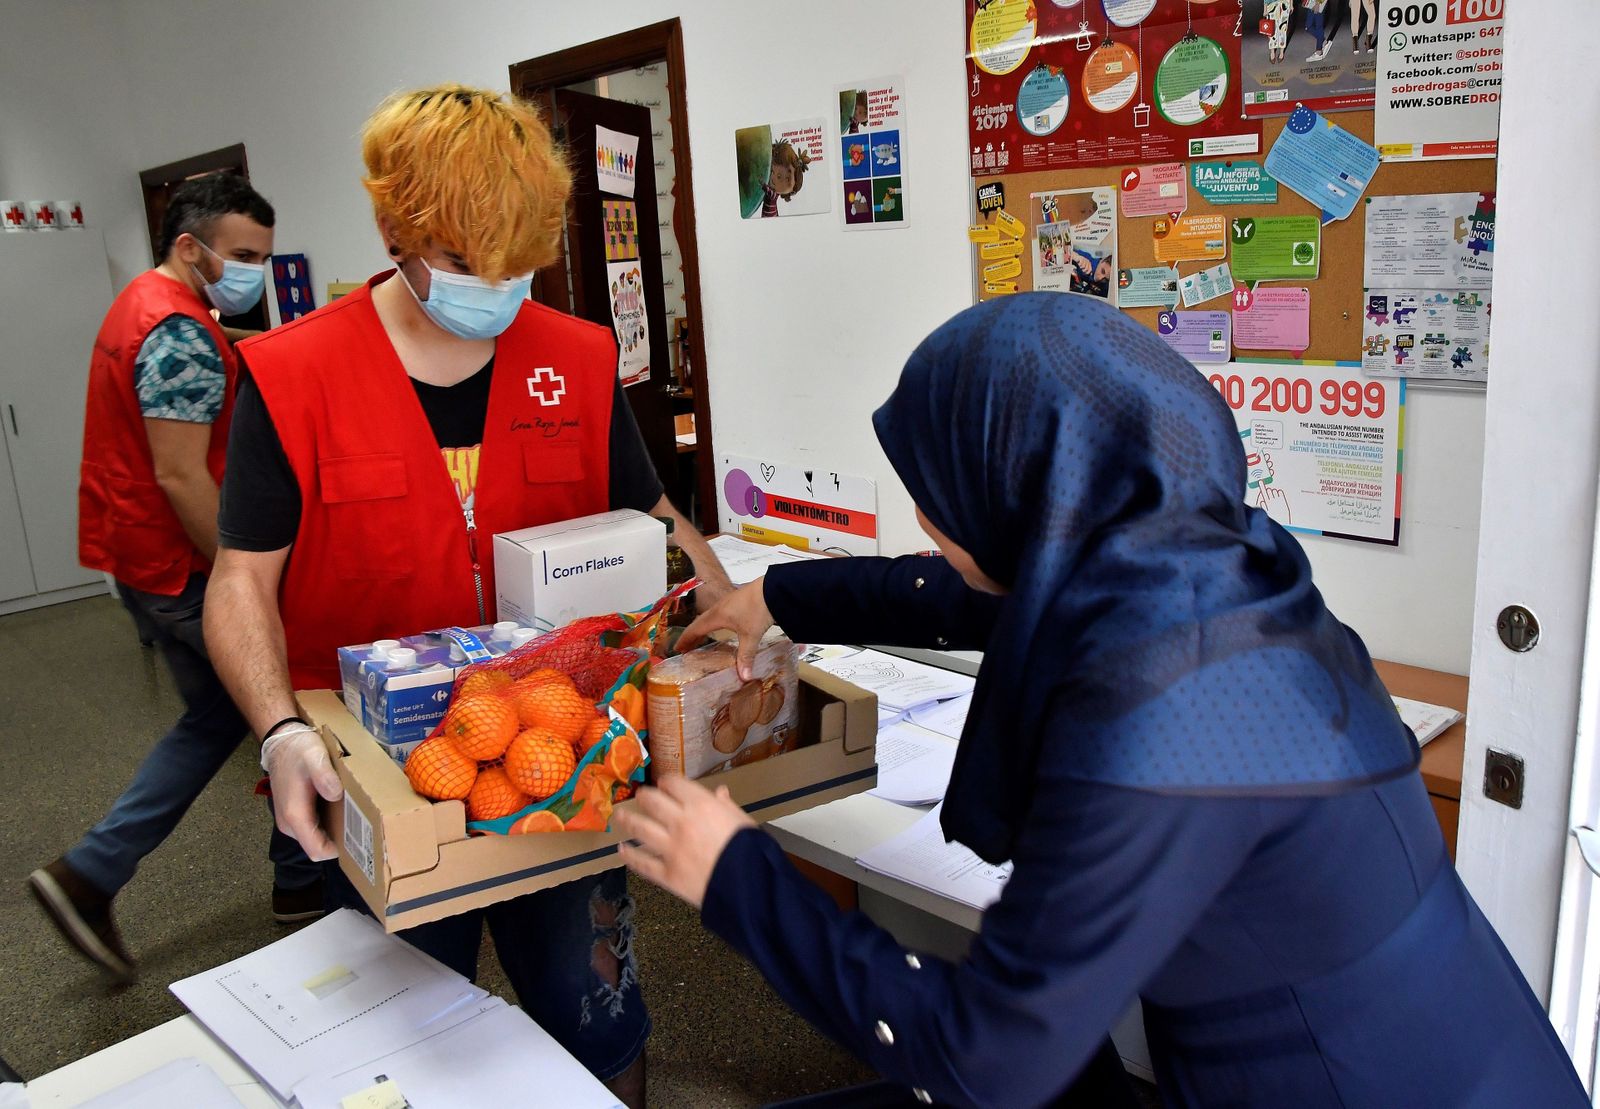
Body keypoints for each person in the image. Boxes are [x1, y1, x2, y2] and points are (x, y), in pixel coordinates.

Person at [616, 295, 1590, 1108]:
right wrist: (775, 593)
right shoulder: (1195, 555)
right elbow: (967, 591)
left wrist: (734, 871)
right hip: (1444, 1030)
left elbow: (987, 1052)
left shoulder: (1163, 717)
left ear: (1031, 485)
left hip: (1345, 1079)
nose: (923, 518)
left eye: (937, 494)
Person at [203, 85, 729, 1108]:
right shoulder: (291, 373)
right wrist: (276, 731)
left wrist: (737, 622)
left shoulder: (574, 357)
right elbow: (240, 579)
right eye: (462, 262)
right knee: (402, 1047)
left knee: (597, 1011)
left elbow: (653, 513)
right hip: (376, 770)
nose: (492, 286)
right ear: (393, 230)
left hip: (557, 750)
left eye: (514, 265)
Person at [27, 174, 323, 985]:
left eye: (264, 256)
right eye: (241, 256)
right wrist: (244, 584)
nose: (253, 272)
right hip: (181, 566)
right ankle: (96, 871)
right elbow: (184, 476)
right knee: (280, 695)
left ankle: (292, 881)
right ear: (188, 247)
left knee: (222, 717)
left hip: (140, 557)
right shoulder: (182, 333)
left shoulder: (141, 303)